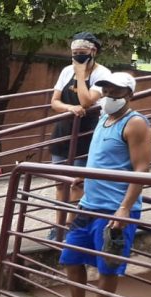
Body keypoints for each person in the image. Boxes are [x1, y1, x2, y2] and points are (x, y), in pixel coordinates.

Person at [45, 72, 151, 297]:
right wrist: (85, 176)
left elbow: (141, 169)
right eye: (106, 91)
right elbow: (103, 158)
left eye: (117, 92)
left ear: (130, 95)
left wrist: (125, 209)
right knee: (71, 258)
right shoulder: (104, 118)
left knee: (108, 265)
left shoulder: (136, 123)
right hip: (89, 203)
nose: (110, 96)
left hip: (114, 208)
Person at [48, 32, 111, 240]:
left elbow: (86, 101)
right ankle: (57, 226)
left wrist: (82, 74)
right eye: (74, 53)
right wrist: (69, 108)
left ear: (93, 51)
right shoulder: (67, 71)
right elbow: (55, 102)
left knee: (77, 183)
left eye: (82, 53)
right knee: (60, 183)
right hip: (63, 132)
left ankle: (70, 226)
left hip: (87, 134)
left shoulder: (103, 74)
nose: (77, 57)